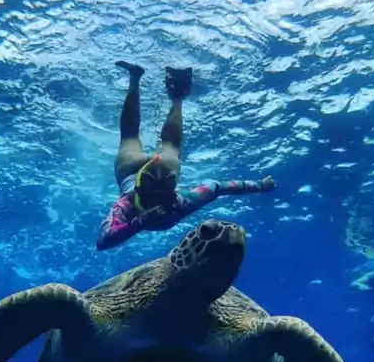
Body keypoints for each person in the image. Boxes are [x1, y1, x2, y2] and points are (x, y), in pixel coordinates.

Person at [96, 61, 277, 250]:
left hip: (144, 171)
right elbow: (218, 187)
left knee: (157, 142)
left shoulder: (134, 204)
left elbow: (103, 241)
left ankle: (171, 92)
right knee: (135, 137)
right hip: (132, 170)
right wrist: (259, 186)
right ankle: (146, 82)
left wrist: (259, 186)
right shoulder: (172, 203)